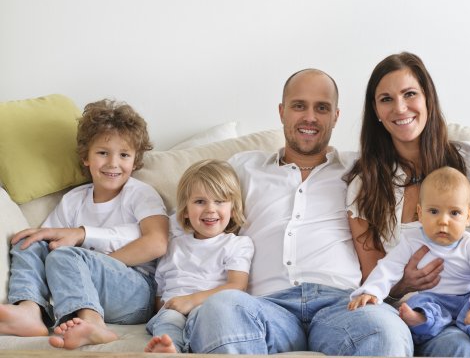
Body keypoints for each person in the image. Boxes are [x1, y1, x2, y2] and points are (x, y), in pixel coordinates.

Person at [180, 69, 413, 355]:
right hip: (264, 306)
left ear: (336, 117)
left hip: (343, 304)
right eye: (299, 106)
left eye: (322, 108)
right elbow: (191, 216)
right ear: (282, 112)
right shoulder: (244, 167)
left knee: (386, 329)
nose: (310, 117)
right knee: (220, 308)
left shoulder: (362, 170)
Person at [344, 51, 470, 357]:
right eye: (386, 99)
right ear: (376, 111)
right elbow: (375, 274)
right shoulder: (365, 185)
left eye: (410, 94)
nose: (400, 108)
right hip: (428, 308)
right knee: (459, 350)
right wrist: (403, 283)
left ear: (428, 99)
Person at [0, 99, 169, 349]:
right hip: (82, 284)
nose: (113, 163)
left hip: (134, 291)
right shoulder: (74, 200)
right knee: (30, 240)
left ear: (135, 161)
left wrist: (86, 246)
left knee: (66, 256)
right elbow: (48, 240)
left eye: (124, 155)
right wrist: (68, 256)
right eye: (103, 153)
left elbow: (157, 242)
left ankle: (94, 324)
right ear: (86, 157)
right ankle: (29, 310)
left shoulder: (140, 194)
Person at [348, 167, 470, 350]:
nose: (443, 221)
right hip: (435, 299)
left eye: (454, 213)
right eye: (434, 211)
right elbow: (388, 267)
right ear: (420, 213)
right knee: (417, 304)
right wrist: (372, 291)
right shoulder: (412, 241)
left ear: (468, 216)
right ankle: (421, 320)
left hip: (469, 298)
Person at [144, 159, 254, 353]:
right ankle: (169, 348)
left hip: (207, 309)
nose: (210, 209)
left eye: (219, 201)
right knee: (168, 320)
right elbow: (159, 293)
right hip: (172, 310)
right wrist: (166, 307)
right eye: (200, 201)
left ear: (233, 209)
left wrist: (192, 300)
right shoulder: (173, 245)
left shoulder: (237, 244)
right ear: (185, 210)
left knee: (204, 320)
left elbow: (238, 286)